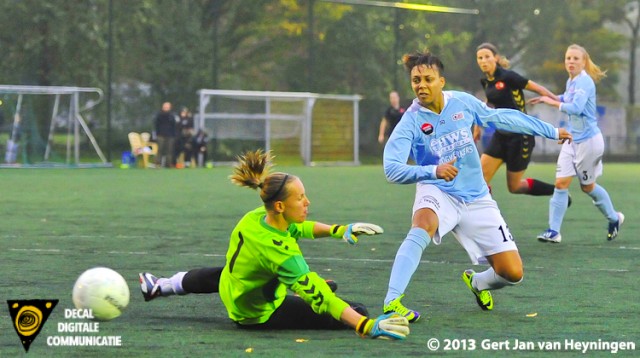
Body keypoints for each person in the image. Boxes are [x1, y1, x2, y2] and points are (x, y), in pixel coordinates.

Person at [381, 51, 572, 322]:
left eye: (427, 79)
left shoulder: (462, 102)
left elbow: (504, 117)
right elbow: (391, 169)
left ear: (441, 81)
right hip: (437, 189)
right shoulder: (411, 120)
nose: (421, 85)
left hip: (476, 196)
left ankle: (478, 283)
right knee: (422, 223)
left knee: (513, 273)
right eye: (415, 80)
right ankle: (392, 301)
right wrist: (433, 170)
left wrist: (549, 131)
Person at [139, 149, 410, 340]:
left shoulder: (256, 217)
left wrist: (340, 230)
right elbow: (321, 297)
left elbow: (299, 227)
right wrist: (365, 325)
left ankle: (159, 286)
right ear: (280, 205)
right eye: (301, 198)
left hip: (232, 286)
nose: (307, 202)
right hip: (255, 314)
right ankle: (296, 294)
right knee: (354, 307)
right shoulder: (282, 253)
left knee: (219, 274)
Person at [529, 44, 624, 243]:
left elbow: (576, 107)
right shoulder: (571, 80)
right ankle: (553, 232)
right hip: (571, 140)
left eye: (575, 58)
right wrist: (551, 97)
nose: (570, 62)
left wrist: (552, 102)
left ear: (584, 62)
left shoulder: (586, 82)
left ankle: (614, 218)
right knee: (561, 183)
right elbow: (567, 98)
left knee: (587, 187)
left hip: (589, 142)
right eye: (568, 58)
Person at [474, 42, 560, 198]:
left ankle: (558, 192)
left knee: (514, 187)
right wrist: (477, 127)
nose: (483, 61)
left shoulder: (508, 76)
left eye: (487, 57)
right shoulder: (486, 81)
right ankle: (485, 216)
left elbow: (538, 88)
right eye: (480, 58)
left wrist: (558, 102)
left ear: (496, 58)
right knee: (479, 179)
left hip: (521, 136)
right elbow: (487, 103)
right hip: (500, 135)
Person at [153, 102, 177, 168]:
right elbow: (156, 125)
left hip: (170, 135)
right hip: (160, 135)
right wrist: (157, 134)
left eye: (167, 107)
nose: (166, 108)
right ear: (162, 107)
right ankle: (157, 164)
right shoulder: (159, 115)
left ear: (170, 107)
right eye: (165, 107)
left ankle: (169, 164)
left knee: (169, 150)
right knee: (159, 150)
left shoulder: (172, 116)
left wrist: (174, 134)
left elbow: (174, 125)